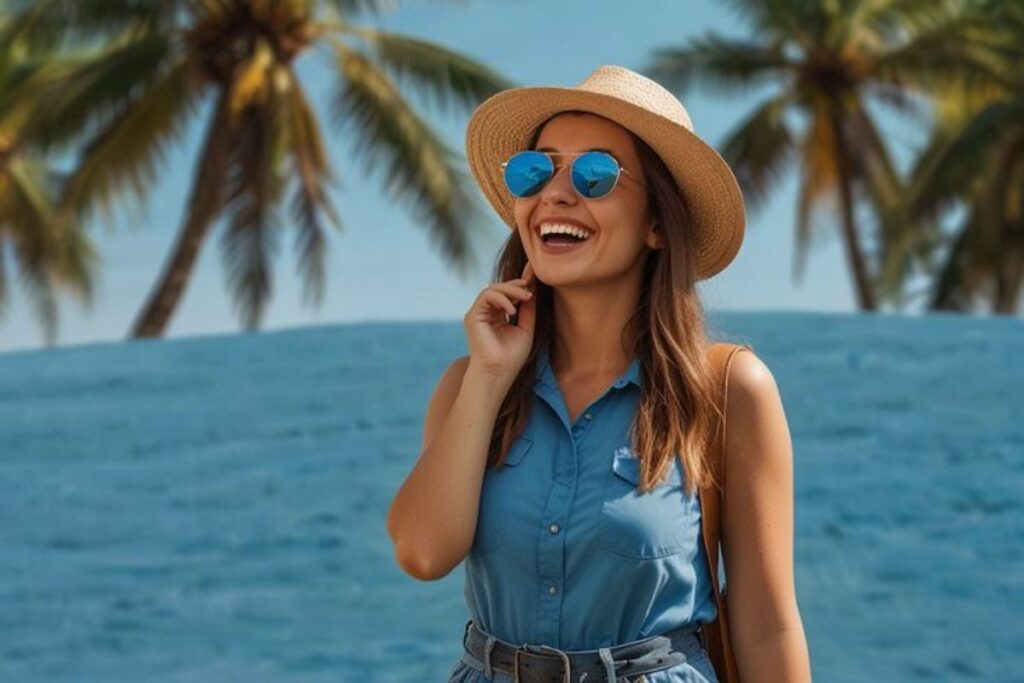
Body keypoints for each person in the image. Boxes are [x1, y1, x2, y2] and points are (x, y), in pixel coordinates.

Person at [386, 65, 811, 682]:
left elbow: (768, 624)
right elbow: (422, 553)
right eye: (537, 171)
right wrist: (488, 375)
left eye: (595, 174)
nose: (557, 193)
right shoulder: (469, 383)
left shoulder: (728, 391)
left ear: (657, 224)